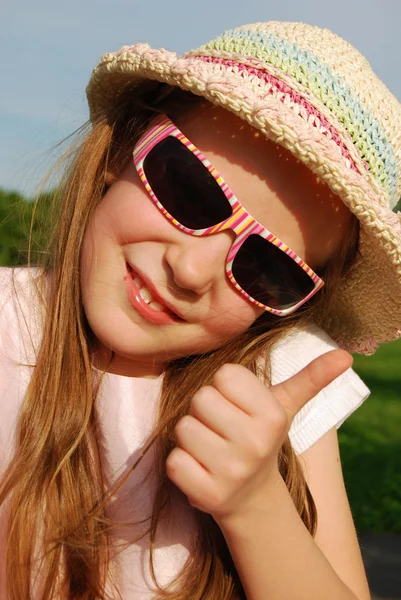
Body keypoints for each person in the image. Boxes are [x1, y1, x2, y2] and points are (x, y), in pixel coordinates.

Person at [1, 19, 400, 600]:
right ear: (123, 145)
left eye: (269, 266)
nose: (189, 272)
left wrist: (258, 505)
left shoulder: (276, 384)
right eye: (186, 187)